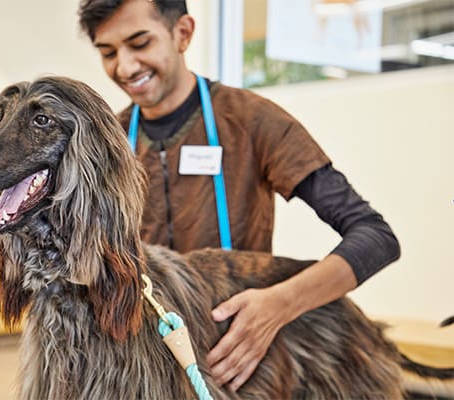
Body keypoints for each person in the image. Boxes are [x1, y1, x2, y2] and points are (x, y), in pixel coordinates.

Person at [78, 0, 400, 392]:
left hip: (239, 359)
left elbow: (376, 238)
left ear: (183, 33)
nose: (125, 68)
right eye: (108, 53)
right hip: (143, 363)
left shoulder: (252, 120)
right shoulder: (103, 146)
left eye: (140, 43)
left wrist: (280, 304)